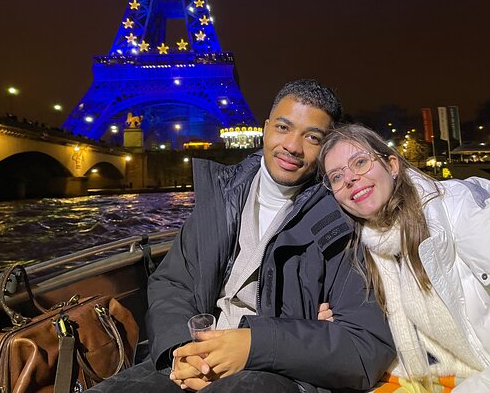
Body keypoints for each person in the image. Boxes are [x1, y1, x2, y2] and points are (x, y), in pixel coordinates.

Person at [89, 80, 394, 393]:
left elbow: (362, 345)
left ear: (327, 147)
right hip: (198, 353)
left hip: (280, 370)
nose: (292, 145)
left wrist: (255, 344)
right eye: (283, 127)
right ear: (265, 128)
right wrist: (179, 349)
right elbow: (173, 282)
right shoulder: (219, 196)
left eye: (312, 137)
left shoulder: (340, 218)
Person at [317, 124, 490, 392]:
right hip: (413, 379)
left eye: (360, 162)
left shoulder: (469, 215)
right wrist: (339, 327)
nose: (350, 178)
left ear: (392, 165)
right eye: (336, 177)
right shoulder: (362, 249)